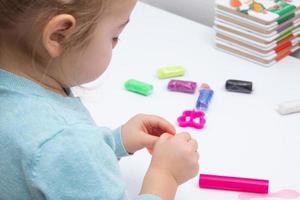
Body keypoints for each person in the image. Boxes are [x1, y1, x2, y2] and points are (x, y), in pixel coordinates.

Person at [0, 0, 199, 199]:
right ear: (59, 35)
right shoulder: (66, 139)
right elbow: (61, 149)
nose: (116, 44)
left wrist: (113, 143)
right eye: (115, 36)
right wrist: (166, 175)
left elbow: (34, 162)